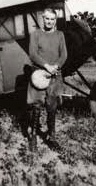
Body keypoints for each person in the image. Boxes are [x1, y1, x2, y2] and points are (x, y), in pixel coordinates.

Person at [26, 8, 67, 151]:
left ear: (55, 20)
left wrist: (55, 66)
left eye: (52, 19)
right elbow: (33, 54)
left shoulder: (60, 35)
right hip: (39, 74)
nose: (49, 21)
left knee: (52, 106)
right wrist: (46, 66)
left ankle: (52, 137)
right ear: (42, 19)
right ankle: (33, 138)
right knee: (36, 107)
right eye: (47, 19)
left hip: (54, 75)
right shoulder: (35, 34)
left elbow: (64, 55)